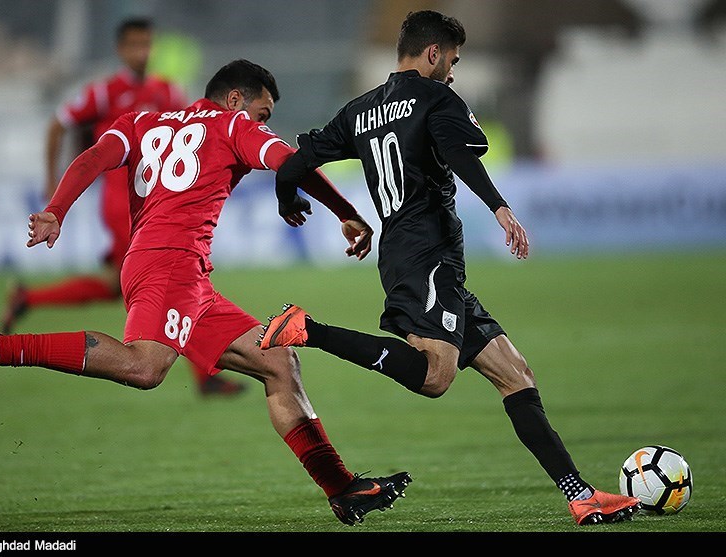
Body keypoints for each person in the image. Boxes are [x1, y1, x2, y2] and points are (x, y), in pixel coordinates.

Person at [0, 59, 411, 526]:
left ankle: (342, 489)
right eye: (262, 113)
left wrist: (56, 210)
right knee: (145, 367)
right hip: (171, 265)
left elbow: (93, 158)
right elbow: (291, 161)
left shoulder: (141, 122)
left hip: (172, 269)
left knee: (278, 361)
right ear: (235, 99)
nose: (262, 123)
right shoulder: (232, 126)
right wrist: (346, 212)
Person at [259, 10, 641, 526]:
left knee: (515, 374)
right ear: (433, 53)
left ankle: (581, 495)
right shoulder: (436, 99)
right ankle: (308, 329)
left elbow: (294, 163)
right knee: (434, 377)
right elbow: (463, 156)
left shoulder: (359, 110)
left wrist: (289, 201)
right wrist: (499, 207)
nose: (454, 72)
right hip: (428, 256)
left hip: (414, 256)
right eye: (453, 60)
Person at [1, 17, 244, 396]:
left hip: (157, 203)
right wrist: (52, 183)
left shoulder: (167, 91)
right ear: (121, 49)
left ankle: (28, 298)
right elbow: (58, 125)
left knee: (124, 284)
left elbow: (196, 131)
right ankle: (204, 377)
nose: (142, 53)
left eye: (147, 44)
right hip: (122, 204)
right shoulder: (105, 93)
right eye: (134, 45)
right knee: (173, 281)